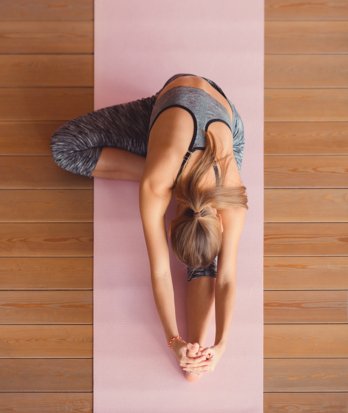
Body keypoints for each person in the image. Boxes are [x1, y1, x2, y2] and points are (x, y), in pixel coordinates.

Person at [50, 72, 248, 382]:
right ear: (169, 227)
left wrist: (219, 346)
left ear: (221, 224)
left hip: (223, 127)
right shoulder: (155, 187)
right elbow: (159, 271)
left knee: (201, 253)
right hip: (165, 109)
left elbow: (227, 278)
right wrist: (173, 341)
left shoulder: (232, 196)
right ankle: (173, 173)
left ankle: (197, 357)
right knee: (65, 148)